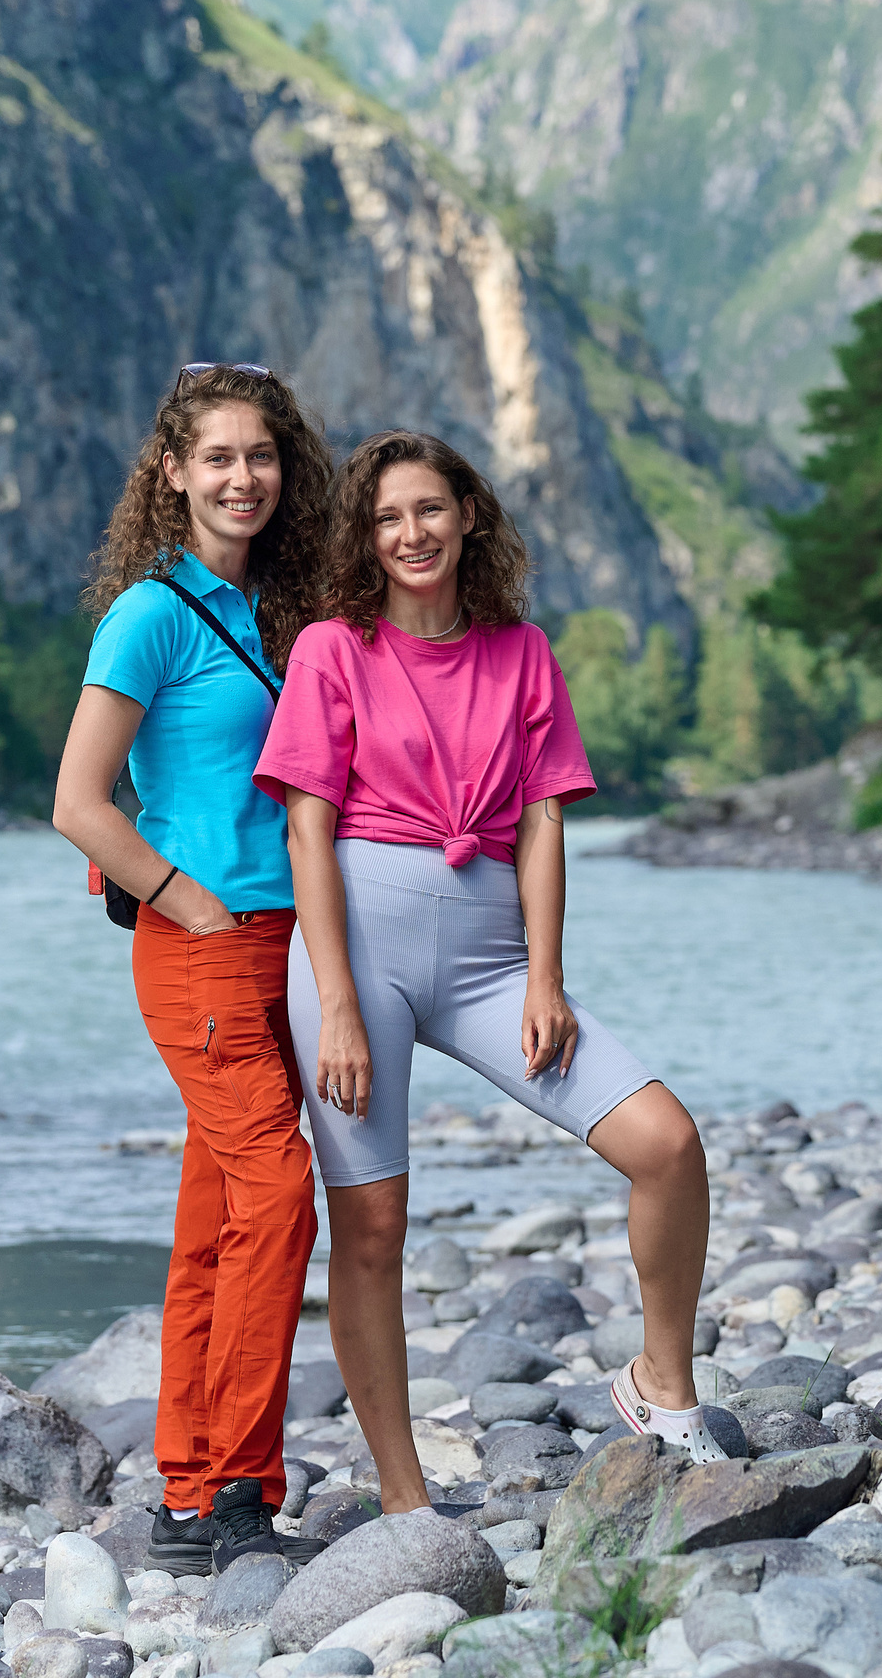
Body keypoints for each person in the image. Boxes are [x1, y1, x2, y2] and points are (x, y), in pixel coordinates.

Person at [256, 429, 723, 1512]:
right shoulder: (333, 647)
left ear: (469, 516)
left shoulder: (523, 653)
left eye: (428, 509)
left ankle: (663, 1385)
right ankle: (405, 1496)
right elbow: (306, 836)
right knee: (370, 1226)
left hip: (492, 963)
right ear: (363, 542)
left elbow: (546, 820)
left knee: (666, 1143)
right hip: (357, 958)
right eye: (385, 519)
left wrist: (545, 977)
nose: (409, 533)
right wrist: (332, 1005)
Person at [51, 363, 333, 1575]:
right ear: (172, 473)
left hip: (284, 947)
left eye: (259, 457)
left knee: (219, 1219)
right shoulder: (150, 615)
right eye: (216, 458)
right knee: (279, 1194)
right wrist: (181, 896)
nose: (240, 478)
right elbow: (76, 801)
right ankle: (235, 1486)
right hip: (203, 949)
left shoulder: (277, 609)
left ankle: (186, 1485)